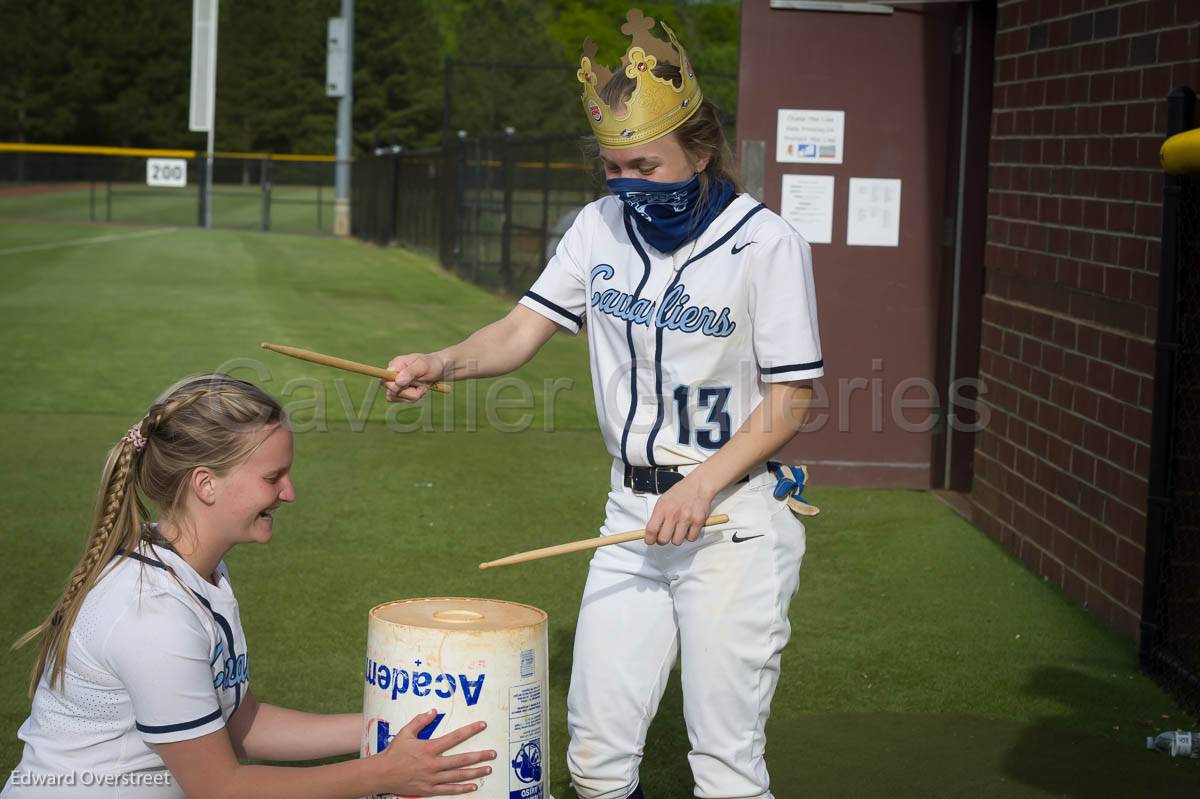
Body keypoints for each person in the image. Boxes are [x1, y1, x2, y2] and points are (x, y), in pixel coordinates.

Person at [384, 9, 822, 799]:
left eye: (646, 167)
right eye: (613, 166)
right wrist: (441, 361)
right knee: (594, 759)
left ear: (702, 149)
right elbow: (522, 330)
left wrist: (701, 483)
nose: (627, 184)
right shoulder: (597, 227)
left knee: (725, 764)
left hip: (731, 521)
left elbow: (791, 399)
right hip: (629, 515)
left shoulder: (768, 244)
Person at [3, 374, 495, 799]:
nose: (289, 492)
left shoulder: (195, 570)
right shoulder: (152, 615)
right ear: (205, 484)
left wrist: (385, 729)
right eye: (272, 477)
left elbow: (240, 723)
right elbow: (221, 788)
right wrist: (383, 772)